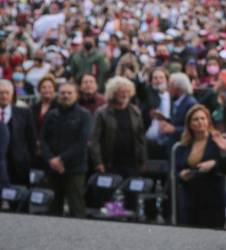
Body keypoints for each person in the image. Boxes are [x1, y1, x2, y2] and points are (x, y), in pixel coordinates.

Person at [174, 104, 226, 228]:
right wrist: (181, 175)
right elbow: (176, 169)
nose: (200, 122)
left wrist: (215, 163)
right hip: (190, 199)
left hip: (212, 199)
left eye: (203, 118)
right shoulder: (183, 145)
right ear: (189, 124)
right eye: (196, 119)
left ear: (208, 121)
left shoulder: (217, 141)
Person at [42, 82, 93, 217]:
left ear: (76, 95)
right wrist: (51, 159)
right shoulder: (52, 114)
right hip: (53, 167)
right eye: (63, 93)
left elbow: (82, 142)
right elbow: (44, 140)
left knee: (76, 207)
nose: (66, 96)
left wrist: (61, 159)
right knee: (53, 207)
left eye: (69, 93)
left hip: (74, 168)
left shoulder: (84, 115)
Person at [89, 76, 146, 178]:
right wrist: (98, 162)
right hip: (110, 163)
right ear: (113, 93)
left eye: (127, 92)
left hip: (131, 163)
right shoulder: (102, 113)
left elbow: (141, 138)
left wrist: (143, 160)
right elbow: (94, 140)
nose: (124, 95)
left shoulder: (135, 111)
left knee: (133, 192)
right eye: (121, 92)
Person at [0, 79, 37, 185]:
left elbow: (31, 140)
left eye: (7, 93)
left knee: (19, 197)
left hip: (19, 167)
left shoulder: (24, 113)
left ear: (12, 94)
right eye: (1, 93)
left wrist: (29, 160)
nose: (4, 96)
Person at [142, 68, 172, 160]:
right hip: (149, 141)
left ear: (167, 80)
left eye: (161, 78)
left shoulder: (172, 97)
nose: (158, 81)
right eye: (155, 78)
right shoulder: (147, 95)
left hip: (168, 140)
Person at [164, 72, 198, 150]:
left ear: (177, 89)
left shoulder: (191, 104)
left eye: (169, 86)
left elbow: (194, 127)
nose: (167, 89)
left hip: (184, 147)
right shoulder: (174, 102)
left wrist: (174, 130)